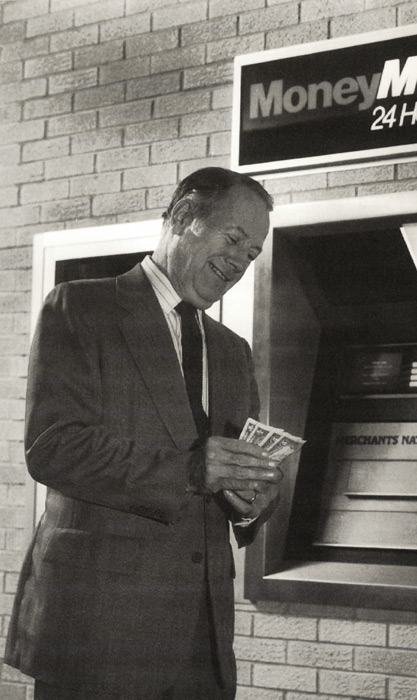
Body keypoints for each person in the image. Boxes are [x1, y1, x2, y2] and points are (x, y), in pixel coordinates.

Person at [4, 168, 283, 700]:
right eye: (232, 239)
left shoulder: (232, 350)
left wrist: (253, 499)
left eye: (252, 254)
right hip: (99, 633)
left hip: (201, 642)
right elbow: (53, 446)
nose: (239, 262)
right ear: (183, 218)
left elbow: (234, 474)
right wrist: (189, 470)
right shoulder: (80, 307)